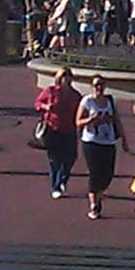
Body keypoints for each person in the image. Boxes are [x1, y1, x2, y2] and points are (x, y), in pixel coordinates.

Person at [75, 76, 129, 220]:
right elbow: (78, 121)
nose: (98, 87)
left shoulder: (110, 101)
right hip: (91, 141)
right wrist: (91, 120)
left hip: (108, 141)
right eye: (96, 85)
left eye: (101, 84)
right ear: (91, 86)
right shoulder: (87, 101)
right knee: (95, 173)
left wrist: (123, 138)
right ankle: (94, 204)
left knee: (108, 174)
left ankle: (99, 194)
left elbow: (116, 119)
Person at [33, 68, 81, 199]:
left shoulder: (75, 95)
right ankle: (55, 185)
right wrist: (45, 107)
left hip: (69, 129)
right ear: (59, 78)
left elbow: (81, 111)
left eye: (69, 75)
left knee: (71, 157)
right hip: (53, 128)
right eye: (64, 75)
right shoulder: (51, 91)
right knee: (55, 159)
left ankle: (63, 179)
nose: (66, 78)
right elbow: (38, 102)